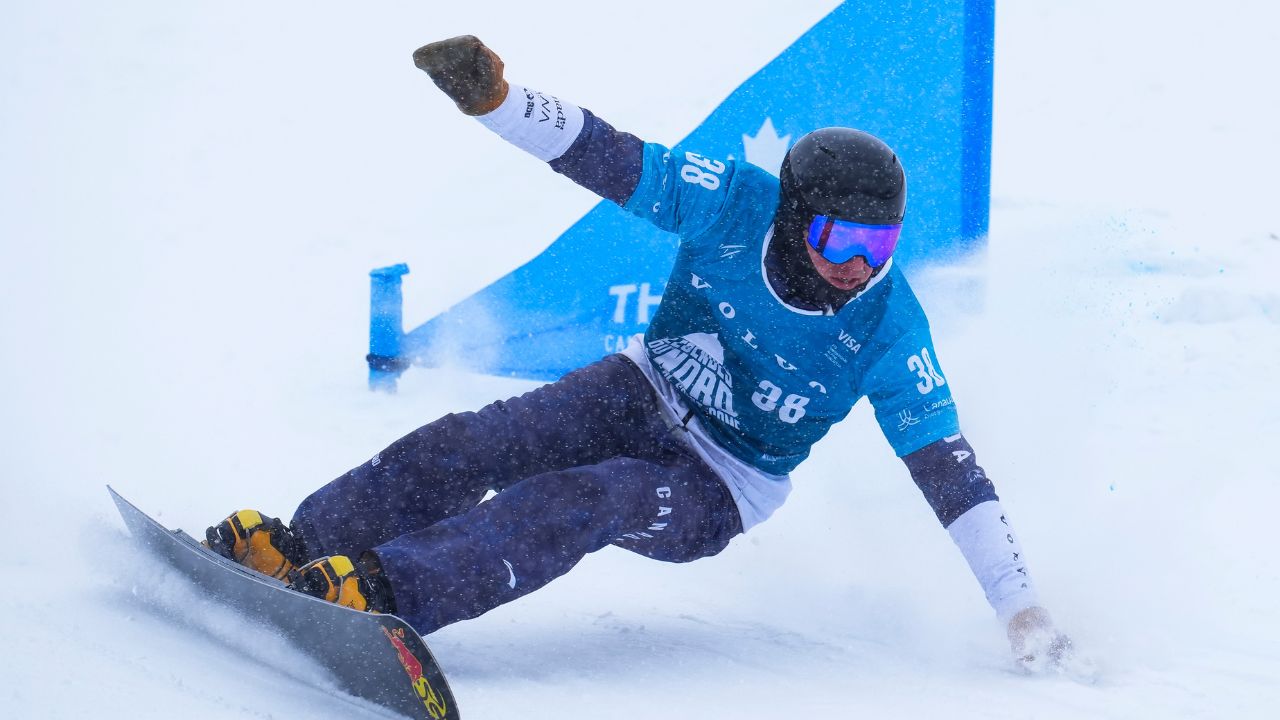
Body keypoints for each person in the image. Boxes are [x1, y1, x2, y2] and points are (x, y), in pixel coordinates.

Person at [205, 35, 1072, 668]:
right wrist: (500, 103)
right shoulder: (734, 204)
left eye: (879, 245)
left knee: (587, 496)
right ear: (791, 215)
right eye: (840, 238)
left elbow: (949, 470)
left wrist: (1021, 607)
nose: (857, 265)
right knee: (479, 440)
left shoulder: (888, 327)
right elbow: (616, 160)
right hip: (641, 387)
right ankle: (300, 543)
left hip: (724, 482)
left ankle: (383, 593)